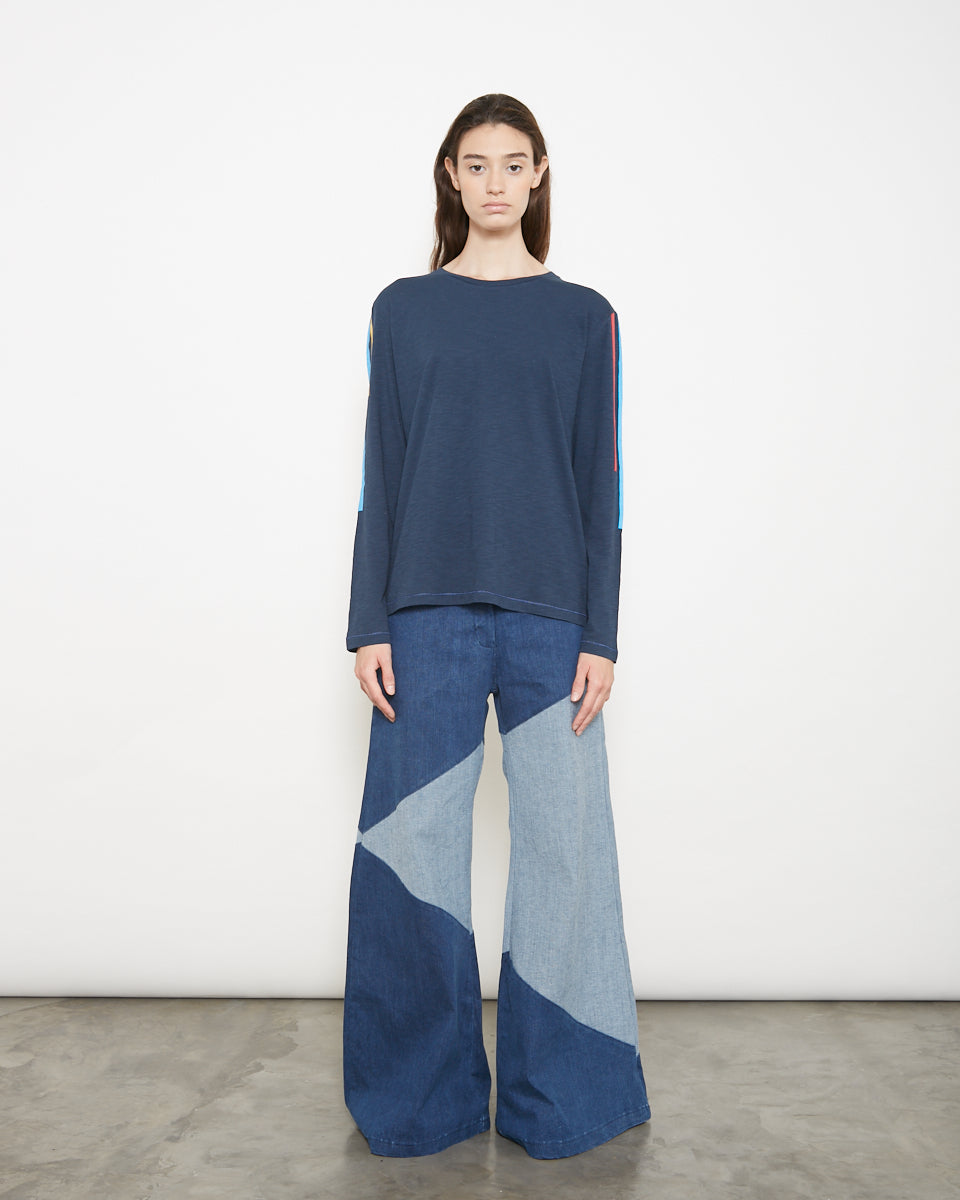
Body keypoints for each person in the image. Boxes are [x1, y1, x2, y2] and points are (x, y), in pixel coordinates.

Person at [342, 92, 651, 1160]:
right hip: (422, 613)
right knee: (411, 856)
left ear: (539, 175)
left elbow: (602, 482)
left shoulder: (586, 316)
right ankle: (415, 1102)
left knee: (567, 854)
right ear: (451, 176)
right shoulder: (403, 310)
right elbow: (380, 472)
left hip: (552, 622)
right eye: (476, 164)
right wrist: (367, 620)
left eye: (514, 164)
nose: (495, 183)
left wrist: (601, 633)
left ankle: (565, 1100)